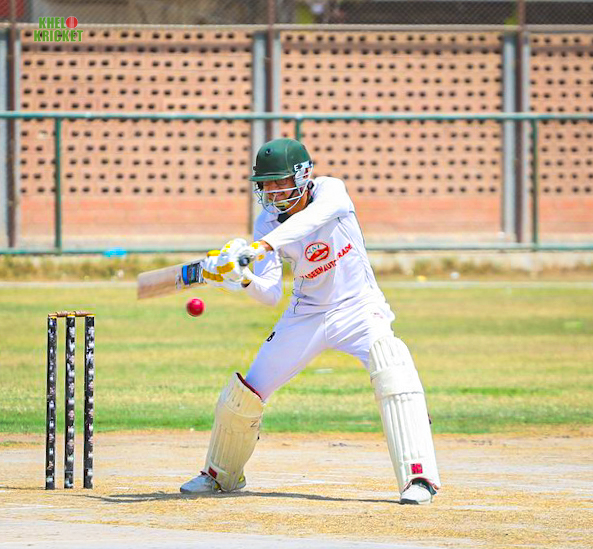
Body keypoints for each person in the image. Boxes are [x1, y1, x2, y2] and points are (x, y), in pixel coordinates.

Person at [180, 138, 441, 504]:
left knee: (394, 367)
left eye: (279, 182)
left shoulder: (332, 191)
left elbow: (311, 220)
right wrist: (242, 278)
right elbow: (271, 293)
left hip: (359, 307)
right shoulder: (266, 222)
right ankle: (220, 475)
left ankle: (419, 478)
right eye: (265, 184)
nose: (272, 192)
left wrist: (258, 248)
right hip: (306, 313)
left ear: (302, 176)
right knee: (246, 393)